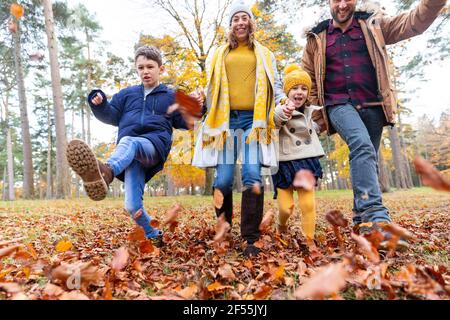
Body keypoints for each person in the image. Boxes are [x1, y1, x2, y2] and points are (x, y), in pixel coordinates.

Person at [301, 0, 446, 249]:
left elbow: (413, 23)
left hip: (372, 105)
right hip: (338, 105)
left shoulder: (373, 25)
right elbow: (308, 77)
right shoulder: (317, 38)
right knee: (362, 146)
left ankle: (361, 221)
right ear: (329, 3)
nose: (342, 4)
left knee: (366, 155)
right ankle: (377, 219)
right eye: (337, 0)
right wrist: (317, 113)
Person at [66, 45, 204, 246]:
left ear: (160, 69)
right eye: (141, 68)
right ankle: (152, 233)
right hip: (129, 155)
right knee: (132, 205)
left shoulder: (170, 95)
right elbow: (111, 115)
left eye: (150, 67)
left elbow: (186, 122)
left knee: (129, 141)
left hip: (153, 146)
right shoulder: (127, 94)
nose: (145, 71)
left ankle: (106, 172)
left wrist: (198, 106)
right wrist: (99, 103)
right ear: (136, 69)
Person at [192, 0, 284, 257]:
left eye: (245, 18)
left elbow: (275, 85)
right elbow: (211, 88)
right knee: (222, 178)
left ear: (251, 23)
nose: (240, 22)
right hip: (225, 122)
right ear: (230, 26)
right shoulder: (219, 53)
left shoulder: (264, 53)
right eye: (236, 19)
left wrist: (283, 102)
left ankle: (250, 238)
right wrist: (201, 103)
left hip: (253, 121)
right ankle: (224, 231)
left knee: (252, 175)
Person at [272, 64, 324, 250]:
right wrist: (283, 110)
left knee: (308, 204)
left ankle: (308, 240)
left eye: (303, 88)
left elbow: (320, 123)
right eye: (294, 88)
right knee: (286, 207)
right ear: (287, 91)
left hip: (306, 160)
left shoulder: (311, 110)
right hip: (284, 161)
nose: (299, 92)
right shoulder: (281, 107)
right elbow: (276, 119)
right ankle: (281, 226)